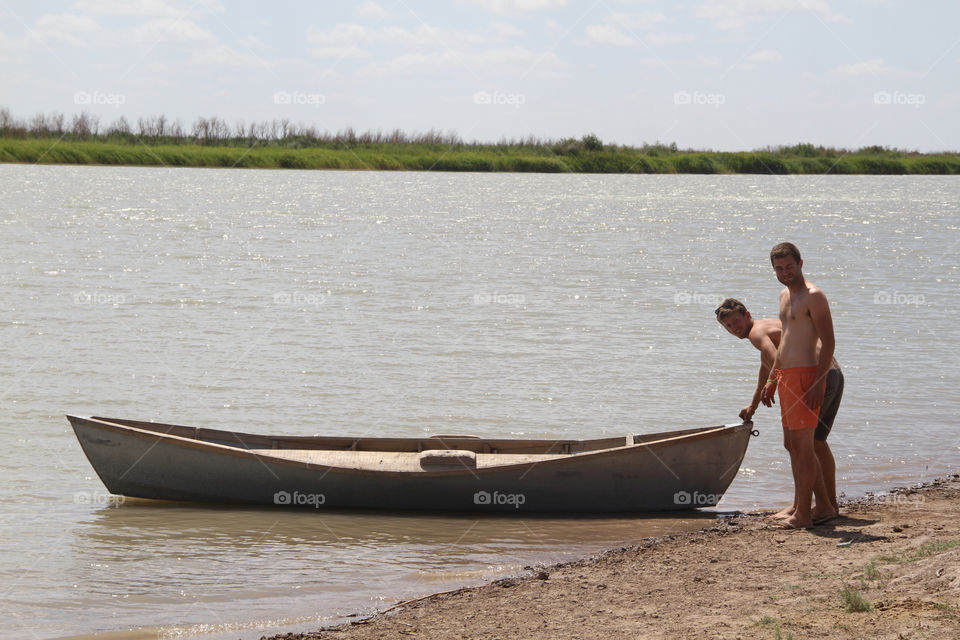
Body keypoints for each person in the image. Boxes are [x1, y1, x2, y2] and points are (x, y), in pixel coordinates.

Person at [715, 297, 843, 524]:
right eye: (729, 327)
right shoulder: (767, 326)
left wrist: (772, 384)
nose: (735, 329)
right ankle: (823, 505)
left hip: (813, 378)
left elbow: (777, 360)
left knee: (799, 444)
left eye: (736, 322)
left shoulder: (756, 333)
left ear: (747, 315)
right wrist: (753, 404)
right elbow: (768, 364)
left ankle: (820, 506)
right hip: (831, 372)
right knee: (816, 442)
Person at [753, 242, 842, 530]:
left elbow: (828, 342)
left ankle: (806, 514)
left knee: (805, 448)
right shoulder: (784, 295)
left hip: (807, 376)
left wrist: (818, 381)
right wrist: (772, 378)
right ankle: (799, 505)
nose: (784, 272)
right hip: (788, 377)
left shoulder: (814, 296)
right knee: (792, 444)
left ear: (801, 263)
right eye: (779, 268)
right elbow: (787, 343)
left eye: (789, 266)